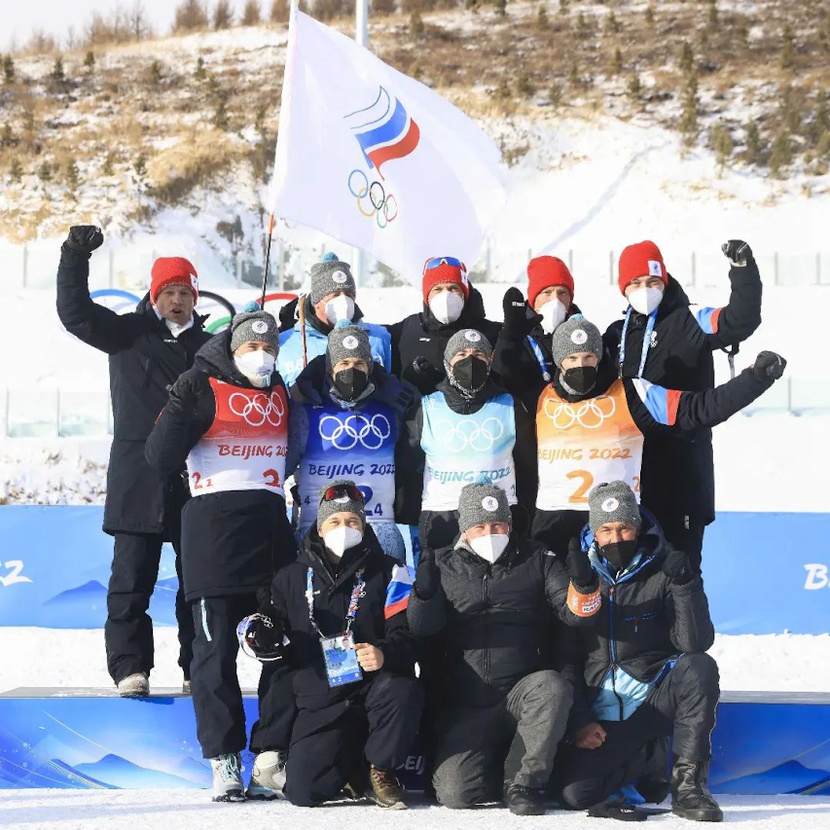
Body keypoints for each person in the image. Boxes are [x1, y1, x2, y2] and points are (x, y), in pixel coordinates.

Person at [144, 309, 297, 803]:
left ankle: (270, 753)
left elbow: (294, 450)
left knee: (283, 647)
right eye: (251, 348)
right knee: (213, 655)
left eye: (269, 348)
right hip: (213, 539)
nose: (261, 356)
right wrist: (178, 405)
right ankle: (224, 757)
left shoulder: (281, 390)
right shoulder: (201, 386)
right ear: (233, 351)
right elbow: (159, 458)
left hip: (270, 535)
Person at [56, 225, 211, 696]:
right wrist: (74, 256)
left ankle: (197, 670)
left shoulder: (211, 348)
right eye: (169, 292)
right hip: (137, 478)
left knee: (198, 585)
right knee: (129, 582)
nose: (177, 301)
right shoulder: (126, 333)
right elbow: (75, 313)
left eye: (185, 292)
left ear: (195, 297)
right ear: (154, 295)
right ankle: (130, 667)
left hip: (197, 480)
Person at [408, 484, 602, 816]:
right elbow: (422, 629)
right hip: (467, 702)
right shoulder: (441, 563)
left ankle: (524, 784)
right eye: (481, 526)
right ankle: (501, 767)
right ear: (464, 529)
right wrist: (424, 595)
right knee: (456, 793)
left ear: (509, 526)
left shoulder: (538, 557)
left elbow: (577, 615)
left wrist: (584, 585)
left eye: (498, 525)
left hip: (522, 691)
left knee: (552, 686)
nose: (490, 533)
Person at [523, 316, 785, 558]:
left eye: (589, 356)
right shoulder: (540, 397)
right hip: (553, 525)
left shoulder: (632, 393)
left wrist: (754, 379)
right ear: (559, 361)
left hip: (615, 526)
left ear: (599, 357)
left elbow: (699, 409)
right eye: (572, 358)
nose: (581, 365)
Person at [246, 481, 421, 809]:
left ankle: (380, 768)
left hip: (372, 686)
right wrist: (262, 634)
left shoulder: (391, 572)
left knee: (401, 689)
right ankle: (352, 768)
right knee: (303, 793)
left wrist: (384, 653)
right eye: (335, 521)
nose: (344, 528)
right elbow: (272, 632)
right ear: (319, 528)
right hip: (321, 698)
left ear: (363, 526)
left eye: (353, 521)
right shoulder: (289, 577)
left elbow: (407, 635)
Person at [556, 480, 723, 823]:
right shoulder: (577, 573)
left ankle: (689, 787)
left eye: (624, 528)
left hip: (652, 699)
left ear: (637, 526)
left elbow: (694, 643)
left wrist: (686, 585)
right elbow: (565, 657)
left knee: (699, 666)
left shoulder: (666, 567)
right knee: (577, 794)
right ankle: (645, 757)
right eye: (606, 530)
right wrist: (581, 720)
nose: (616, 538)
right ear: (594, 533)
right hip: (602, 713)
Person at [603, 240, 763, 572]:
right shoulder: (616, 335)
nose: (645, 290)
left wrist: (743, 270)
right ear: (623, 289)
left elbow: (740, 320)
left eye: (652, 282)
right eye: (635, 283)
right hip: (631, 475)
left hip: (683, 472)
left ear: (664, 281)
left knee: (681, 573)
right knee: (634, 581)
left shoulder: (690, 317)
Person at [286, 323, 420, 561]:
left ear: (370, 367)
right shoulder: (306, 411)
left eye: (359, 364)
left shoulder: (391, 410)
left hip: (379, 528)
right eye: (344, 363)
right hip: (319, 528)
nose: (352, 370)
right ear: (330, 368)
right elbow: (283, 465)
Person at [404, 328, 535, 551]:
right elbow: (409, 466)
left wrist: (524, 513)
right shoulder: (425, 407)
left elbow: (528, 465)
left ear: (489, 361)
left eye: (478, 355)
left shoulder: (509, 404)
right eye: (462, 355)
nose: (470, 361)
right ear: (448, 363)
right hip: (443, 516)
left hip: (497, 514)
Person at [386, 256, 502, 396]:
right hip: (418, 408)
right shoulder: (407, 330)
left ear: (464, 294)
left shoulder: (490, 332)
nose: (446, 296)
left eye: (453, 288)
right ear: (427, 296)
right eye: (438, 289)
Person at [277, 253, 392, 387]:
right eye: (335, 295)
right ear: (317, 302)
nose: (343, 300)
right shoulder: (285, 343)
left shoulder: (379, 337)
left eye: (349, 294)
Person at [492, 255, 580, 395]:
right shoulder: (518, 334)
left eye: (562, 292)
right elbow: (499, 382)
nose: (555, 300)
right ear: (534, 298)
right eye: (547, 292)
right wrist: (509, 340)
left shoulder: (582, 333)